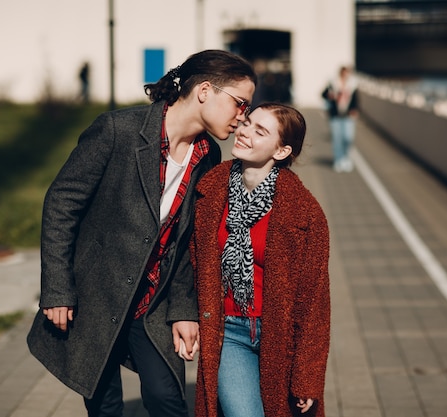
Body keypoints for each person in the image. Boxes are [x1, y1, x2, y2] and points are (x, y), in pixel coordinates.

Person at [27, 49, 257, 417]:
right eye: (239, 104)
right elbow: (60, 204)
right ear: (205, 91)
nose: (242, 117)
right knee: (105, 406)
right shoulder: (117, 130)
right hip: (96, 298)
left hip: (153, 302)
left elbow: (189, 242)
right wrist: (57, 288)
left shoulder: (208, 155)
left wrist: (183, 310)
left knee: (167, 399)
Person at [190, 103, 331, 417]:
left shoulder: (306, 213)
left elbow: (314, 302)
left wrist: (308, 377)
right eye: (248, 123)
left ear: (281, 152)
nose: (244, 133)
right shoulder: (210, 191)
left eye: (260, 131)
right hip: (230, 331)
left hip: (280, 337)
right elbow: (193, 264)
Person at [322, 65, 358, 173]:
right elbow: (323, 94)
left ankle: (346, 158)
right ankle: (338, 160)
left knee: (348, 137)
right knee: (337, 139)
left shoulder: (352, 85)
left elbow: (356, 99)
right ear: (341, 73)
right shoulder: (333, 84)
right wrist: (330, 95)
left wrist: (355, 109)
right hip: (335, 115)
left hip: (348, 115)